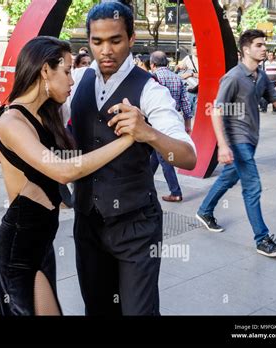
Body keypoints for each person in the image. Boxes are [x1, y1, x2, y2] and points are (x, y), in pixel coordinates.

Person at [65, 2, 196, 315]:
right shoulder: (77, 79)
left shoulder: (150, 89)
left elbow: (188, 157)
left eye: (115, 40)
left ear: (132, 38)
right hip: (88, 220)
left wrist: (147, 132)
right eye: (97, 42)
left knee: (139, 311)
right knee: (98, 309)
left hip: (136, 224)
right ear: (89, 42)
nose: (106, 50)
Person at [0, 36, 138, 316]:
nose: (72, 81)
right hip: (18, 249)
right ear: (45, 70)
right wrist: (127, 140)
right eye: (68, 70)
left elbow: (70, 161)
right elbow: (63, 171)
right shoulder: (12, 120)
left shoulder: (46, 116)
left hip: (41, 243)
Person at [196, 29, 276, 257]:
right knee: (252, 187)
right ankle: (262, 239)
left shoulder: (260, 76)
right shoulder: (233, 77)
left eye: (265, 45)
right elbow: (216, 111)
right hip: (237, 141)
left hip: (251, 140)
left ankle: (204, 210)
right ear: (245, 49)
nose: (265, 48)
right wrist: (223, 146)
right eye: (259, 45)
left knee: (228, 178)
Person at [149, 51, 192, 202]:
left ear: (152, 64)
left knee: (163, 157)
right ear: (167, 63)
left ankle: (175, 192)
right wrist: (188, 124)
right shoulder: (177, 78)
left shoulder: (152, 79)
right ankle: (144, 184)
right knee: (156, 155)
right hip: (175, 121)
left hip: (157, 123)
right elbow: (186, 103)